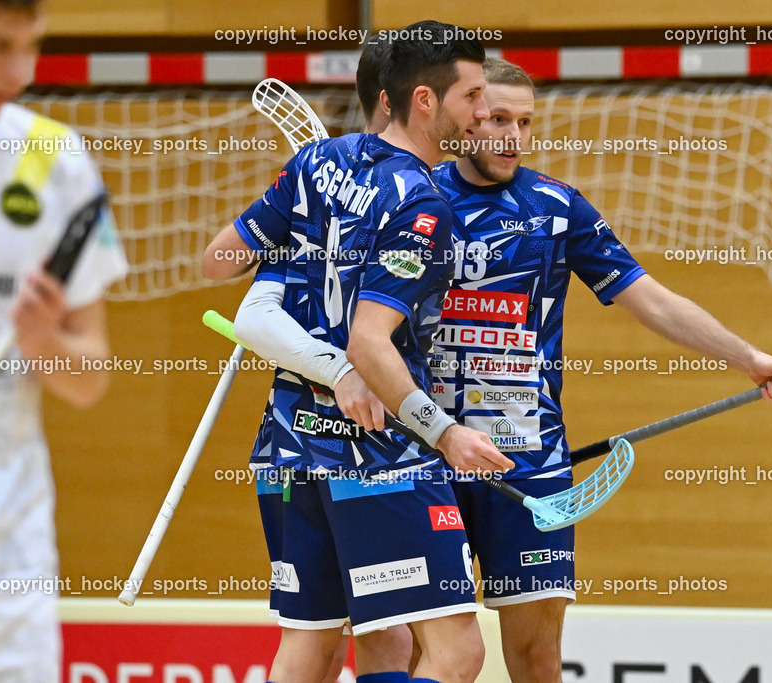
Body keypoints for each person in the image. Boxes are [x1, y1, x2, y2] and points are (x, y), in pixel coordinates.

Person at [422, 58, 772, 682]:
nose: (514, 136)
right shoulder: (415, 195)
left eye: (525, 122)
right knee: (430, 653)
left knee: (536, 654)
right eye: (498, 119)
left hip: (527, 459)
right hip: (420, 454)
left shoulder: (557, 207)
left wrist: (750, 359)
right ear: (465, 118)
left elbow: (652, 301)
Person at [222, 21, 508, 683]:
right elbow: (368, 343)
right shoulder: (422, 201)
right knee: (455, 651)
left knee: (316, 650)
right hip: (380, 453)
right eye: (472, 96)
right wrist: (445, 434)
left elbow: (220, 260)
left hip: (290, 448)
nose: (483, 112)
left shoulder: (317, 164)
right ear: (423, 101)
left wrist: (291, 254)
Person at [227, 37, 411, 683]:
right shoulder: (330, 200)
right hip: (319, 450)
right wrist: (340, 370)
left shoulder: (400, 196)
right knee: (348, 641)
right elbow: (252, 313)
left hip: (341, 449)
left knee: (360, 639)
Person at [0, 0, 128, 678]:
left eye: (30, 46)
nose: (19, 72)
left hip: (3, 568)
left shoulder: (51, 160)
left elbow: (90, 380)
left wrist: (43, 342)